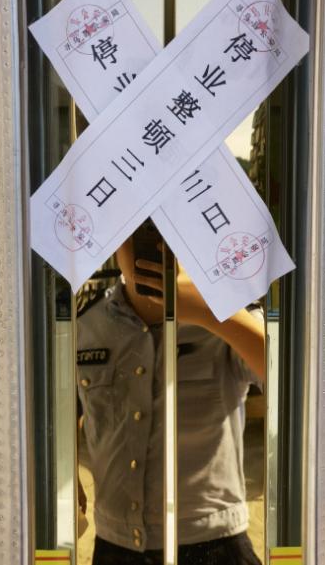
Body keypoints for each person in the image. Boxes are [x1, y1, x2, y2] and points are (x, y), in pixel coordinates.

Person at [76, 234, 265, 565]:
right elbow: (66, 408)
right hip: (116, 546)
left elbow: (296, 381)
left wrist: (210, 314)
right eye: (137, 230)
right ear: (114, 240)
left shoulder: (228, 313)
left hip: (213, 544)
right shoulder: (88, 325)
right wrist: (65, 474)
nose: (156, 243)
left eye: (168, 229)